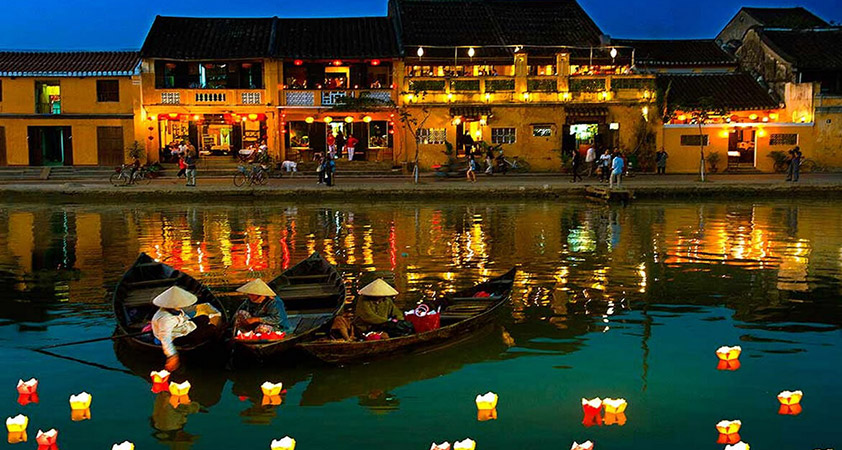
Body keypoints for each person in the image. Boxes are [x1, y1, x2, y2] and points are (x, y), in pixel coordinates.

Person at [151, 286, 221, 371]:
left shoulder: (175, 309)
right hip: (176, 337)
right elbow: (165, 338)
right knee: (211, 329)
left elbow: (185, 317)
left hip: (182, 328)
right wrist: (172, 355)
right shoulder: (166, 319)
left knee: (204, 318)